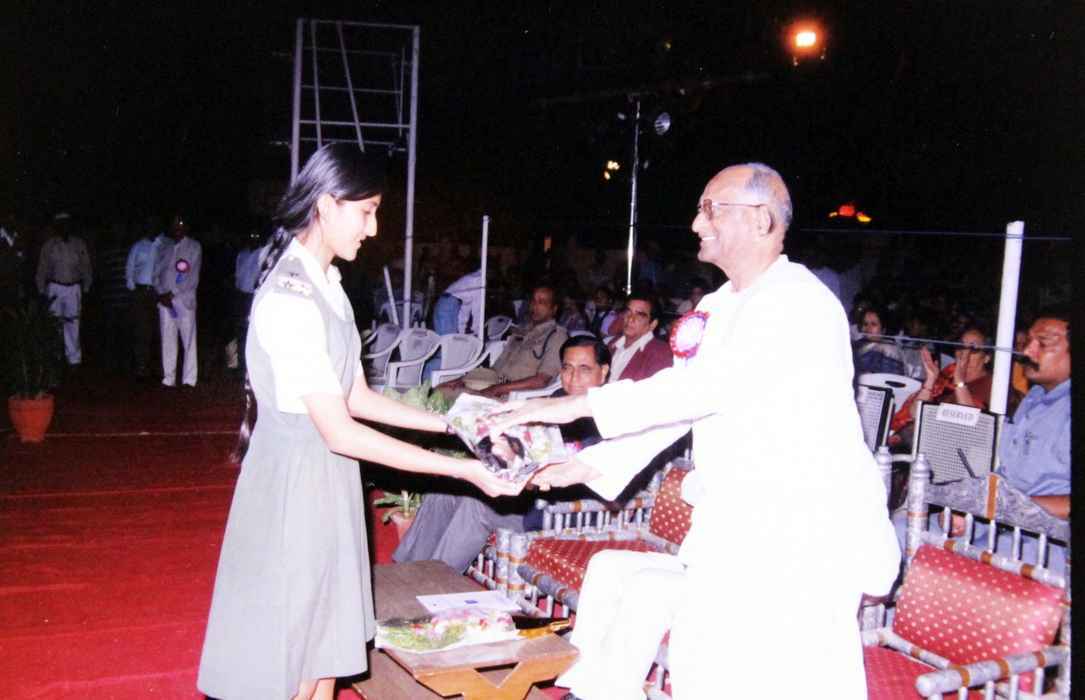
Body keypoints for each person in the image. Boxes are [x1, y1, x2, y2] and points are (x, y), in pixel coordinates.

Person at [493, 163, 900, 699]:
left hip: (801, 535)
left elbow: (700, 391)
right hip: (736, 530)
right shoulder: (719, 305)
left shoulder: (798, 303)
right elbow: (679, 409)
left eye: (711, 209)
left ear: (760, 219)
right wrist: (584, 465)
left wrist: (575, 406)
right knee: (704, 671)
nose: (696, 223)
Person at [197, 144, 520, 700]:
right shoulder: (292, 298)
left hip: (330, 480)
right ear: (326, 205)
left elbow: (357, 396)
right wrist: (464, 470)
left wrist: (457, 425)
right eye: (366, 211)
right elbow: (339, 428)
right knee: (295, 656)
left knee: (326, 650)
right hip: (297, 488)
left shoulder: (329, 285)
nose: (374, 228)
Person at [394, 336, 612, 573]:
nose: (573, 377)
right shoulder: (556, 400)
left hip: (562, 512)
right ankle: (407, 570)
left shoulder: (609, 418)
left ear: (603, 372)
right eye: (567, 368)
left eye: (584, 369)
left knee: (477, 505)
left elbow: (583, 477)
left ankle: (436, 581)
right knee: (448, 488)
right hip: (525, 493)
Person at [888, 326, 1021, 446]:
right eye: (961, 346)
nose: (964, 354)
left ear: (986, 358)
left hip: (953, 448)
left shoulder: (993, 385)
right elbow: (915, 413)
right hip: (919, 439)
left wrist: (959, 382)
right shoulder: (948, 373)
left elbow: (973, 425)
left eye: (973, 349)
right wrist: (930, 380)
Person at [439, 284, 568, 401]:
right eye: (533, 301)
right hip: (493, 387)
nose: (535, 306)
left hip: (517, 397)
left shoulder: (556, 336)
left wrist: (497, 389)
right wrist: (463, 380)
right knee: (442, 389)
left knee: (447, 397)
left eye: (542, 302)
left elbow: (541, 381)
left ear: (554, 309)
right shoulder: (522, 331)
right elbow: (494, 369)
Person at [35, 212, 93, 365]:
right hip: (55, 288)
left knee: (73, 325)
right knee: (54, 325)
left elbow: (86, 267)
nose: (64, 227)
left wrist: (86, 288)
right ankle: (55, 358)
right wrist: (41, 291)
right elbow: (42, 269)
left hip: (74, 288)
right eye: (61, 224)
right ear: (57, 226)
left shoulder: (79, 244)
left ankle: (73, 360)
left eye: (67, 223)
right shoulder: (49, 245)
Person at [153, 214, 202, 387]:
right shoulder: (164, 247)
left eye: (180, 224)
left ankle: (189, 379)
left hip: (183, 300)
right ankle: (169, 378)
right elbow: (156, 273)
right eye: (174, 224)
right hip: (165, 303)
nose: (177, 228)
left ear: (186, 226)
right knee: (168, 338)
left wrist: (172, 293)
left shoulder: (193, 246)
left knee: (188, 339)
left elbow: (188, 275)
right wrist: (161, 293)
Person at [126, 218, 166, 379]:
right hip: (141, 293)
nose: (152, 228)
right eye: (149, 226)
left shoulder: (164, 245)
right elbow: (129, 268)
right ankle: (142, 367)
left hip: (159, 293)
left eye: (154, 226)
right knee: (142, 330)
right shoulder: (138, 246)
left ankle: (160, 367)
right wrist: (134, 289)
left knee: (160, 330)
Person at [606, 293, 672, 382]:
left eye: (639, 315)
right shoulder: (613, 343)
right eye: (628, 312)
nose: (630, 318)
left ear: (653, 324)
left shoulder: (661, 353)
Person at [854, 306, 906, 375]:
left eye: (873, 324)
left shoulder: (888, 349)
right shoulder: (857, 344)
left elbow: (889, 378)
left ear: (883, 329)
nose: (868, 328)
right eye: (865, 324)